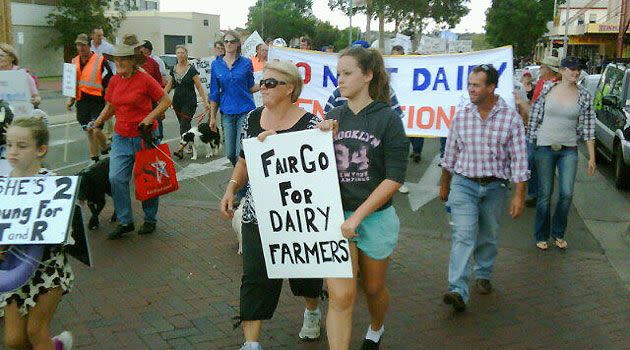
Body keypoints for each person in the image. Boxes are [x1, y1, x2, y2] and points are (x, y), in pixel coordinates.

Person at [219, 60, 324, 350]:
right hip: (258, 212)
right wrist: (231, 187)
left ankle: (312, 310)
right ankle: (251, 343)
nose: (262, 87)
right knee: (255, 276)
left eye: (270, 83)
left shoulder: (312, 124)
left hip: (298, 214)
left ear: (290, 88)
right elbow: (244, 160)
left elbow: (320, 172)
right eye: (262, 82)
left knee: (305, 273)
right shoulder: (252, 119)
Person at [319, 46, 409, 350]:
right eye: (338, 73)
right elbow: (302, 159)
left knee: (372, 287)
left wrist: (359, 215)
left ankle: (376, 326)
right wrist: (272, 140)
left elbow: (394, 177)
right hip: (337, 218)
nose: (339, 80)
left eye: (347, 73)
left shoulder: (388, 119)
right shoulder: (331, 118)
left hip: (375, 217)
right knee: (341, 296)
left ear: (368, 75)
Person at [439, 64, 529, 312]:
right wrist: (444, 184)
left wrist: (519, 196)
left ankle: (484, 272)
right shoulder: (462, 115)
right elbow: (450, 154)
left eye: (476, 85)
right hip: (463, 184)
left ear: (491, 87)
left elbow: (520, 160)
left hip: (495, 187)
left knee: (488, 235)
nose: (471, 89)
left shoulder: (511, 118)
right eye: (469, 84)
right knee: (463, 235)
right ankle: (457, 289)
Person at [1, 116, 75, 350]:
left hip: (47, 268)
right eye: (9, 144)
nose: (13, 151)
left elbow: (66, 227)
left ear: (40, 150)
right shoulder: (4, 184)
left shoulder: (53, 184)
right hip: (13, 267)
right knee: (14, 340)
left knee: (36, 330)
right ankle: (57, 346)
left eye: (22, 146)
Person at [91, 41, 172, 240]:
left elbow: (166, 101)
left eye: (122, 59)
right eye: (116, 59)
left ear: (132, 61)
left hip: (144, 135)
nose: (118, 63)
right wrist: (99, 122)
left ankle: (150, 219)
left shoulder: (144, 79)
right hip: (121, 136)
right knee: (116, 177)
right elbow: (111, 105)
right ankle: (125, 220)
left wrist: (149, 118)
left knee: (148, 180)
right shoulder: (115, 81)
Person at [527, 56, 596, 251]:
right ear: (563, 70)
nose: (576, 72)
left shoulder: (584, 96)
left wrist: (592, 156)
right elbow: (534, 116)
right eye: (572, 69)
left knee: (566, 193)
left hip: (569, 149)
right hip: (545, 147)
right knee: (545, 194)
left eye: (579, 69)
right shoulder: (548, 88)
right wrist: (531, 144)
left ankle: (558, 232)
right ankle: (541, 235)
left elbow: (589, 127)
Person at [210, 31, 259, 202]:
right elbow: (214, 94)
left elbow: (251, 86)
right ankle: (245, 182)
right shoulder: (216, 65)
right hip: (227, 113)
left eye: (232, 41)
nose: (229, 44)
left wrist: (266, 84)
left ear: (238, 44)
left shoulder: (246, 63)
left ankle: (242, 189)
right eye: (226, 41)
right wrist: (211, 118)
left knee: (240, 152)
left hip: (245, 110)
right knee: (230, 153)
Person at [66, 33, 113, 163]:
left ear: (89, 45)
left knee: (96, 130)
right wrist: (71, 100)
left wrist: (109, 102)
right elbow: (72, 84)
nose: (81, 48)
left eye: (83, 45)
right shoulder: (74, 61)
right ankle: (95, 159)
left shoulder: (100, 61)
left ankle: (105, 147)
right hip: (82, 102)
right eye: (78, 45)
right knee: (89, 131)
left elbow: (108, 82)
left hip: (97, 101)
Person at [526, 56, 561, 208]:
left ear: (549, 70)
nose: (539, 69)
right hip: (533, 129)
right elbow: (533, 102)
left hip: (546, 131)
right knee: (530, 161)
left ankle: (541, 195)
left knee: (541, 162)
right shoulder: (540, 82)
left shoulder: (555, 86)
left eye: (542, 67)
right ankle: (535, 193)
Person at [164, 44, 210, 157]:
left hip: (189, 101)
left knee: (184, 123)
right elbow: (169, 85)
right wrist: (161, 97)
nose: (180, 55)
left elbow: (199, 86)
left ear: (186, 55)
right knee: (184, 124)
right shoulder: (173, 69)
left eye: (182, 52)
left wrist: (205, 101)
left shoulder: (191, 69)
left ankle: (181, 148)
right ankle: (189, 142)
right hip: (177, 101)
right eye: (178, 53)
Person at [0, 43, 41, 108]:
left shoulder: (23, 75)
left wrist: (36, 100)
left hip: (21, 112)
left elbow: (36, 97)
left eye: (1, 55)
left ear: (12, 57)